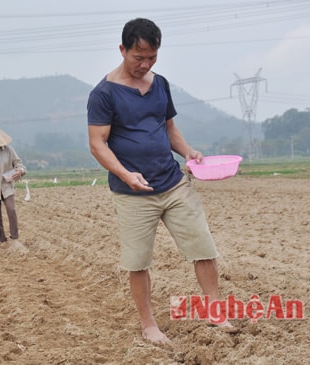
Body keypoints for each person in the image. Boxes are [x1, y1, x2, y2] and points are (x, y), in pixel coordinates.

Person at [87, 18, 232, 345]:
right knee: (137, 261)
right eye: (139, 57)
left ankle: (215, 310)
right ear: (122, 50)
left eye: (152, 57)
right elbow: (98, 143)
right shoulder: (104, 94)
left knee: (202, 247)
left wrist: (189, 152)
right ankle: (149, 325)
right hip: (132, 193)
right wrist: (126, 174)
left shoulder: (160, 84)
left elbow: (168, 130)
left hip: (173, 182)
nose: (145, 64)